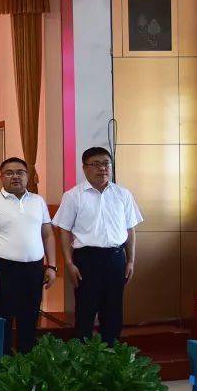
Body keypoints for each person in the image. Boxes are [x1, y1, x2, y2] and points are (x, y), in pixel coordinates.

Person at [53, 147, 143, 344]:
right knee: (85, 310)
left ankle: (111, 351)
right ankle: (83, 355)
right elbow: (64, 230)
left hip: (116, 258)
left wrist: (130, 261)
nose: (102, 168)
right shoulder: (73, 196)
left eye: (106, 163)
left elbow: (130, 229)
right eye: (96, 164)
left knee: (113, 310)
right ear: (85, 168)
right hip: (87, 259)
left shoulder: (123, 194)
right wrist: (69, 263)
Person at [0, 157, 57, 353]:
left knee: (30, 318)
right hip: (4, 269)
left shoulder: (38, 201)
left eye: (20, 172)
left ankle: (26, 361)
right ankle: (3, 363)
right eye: (9, 173)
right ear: (1, 177)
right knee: (3, 318)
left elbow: (48, 235)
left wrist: (52, 266)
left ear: (27, 176)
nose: (15, 176)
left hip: (34, 269)